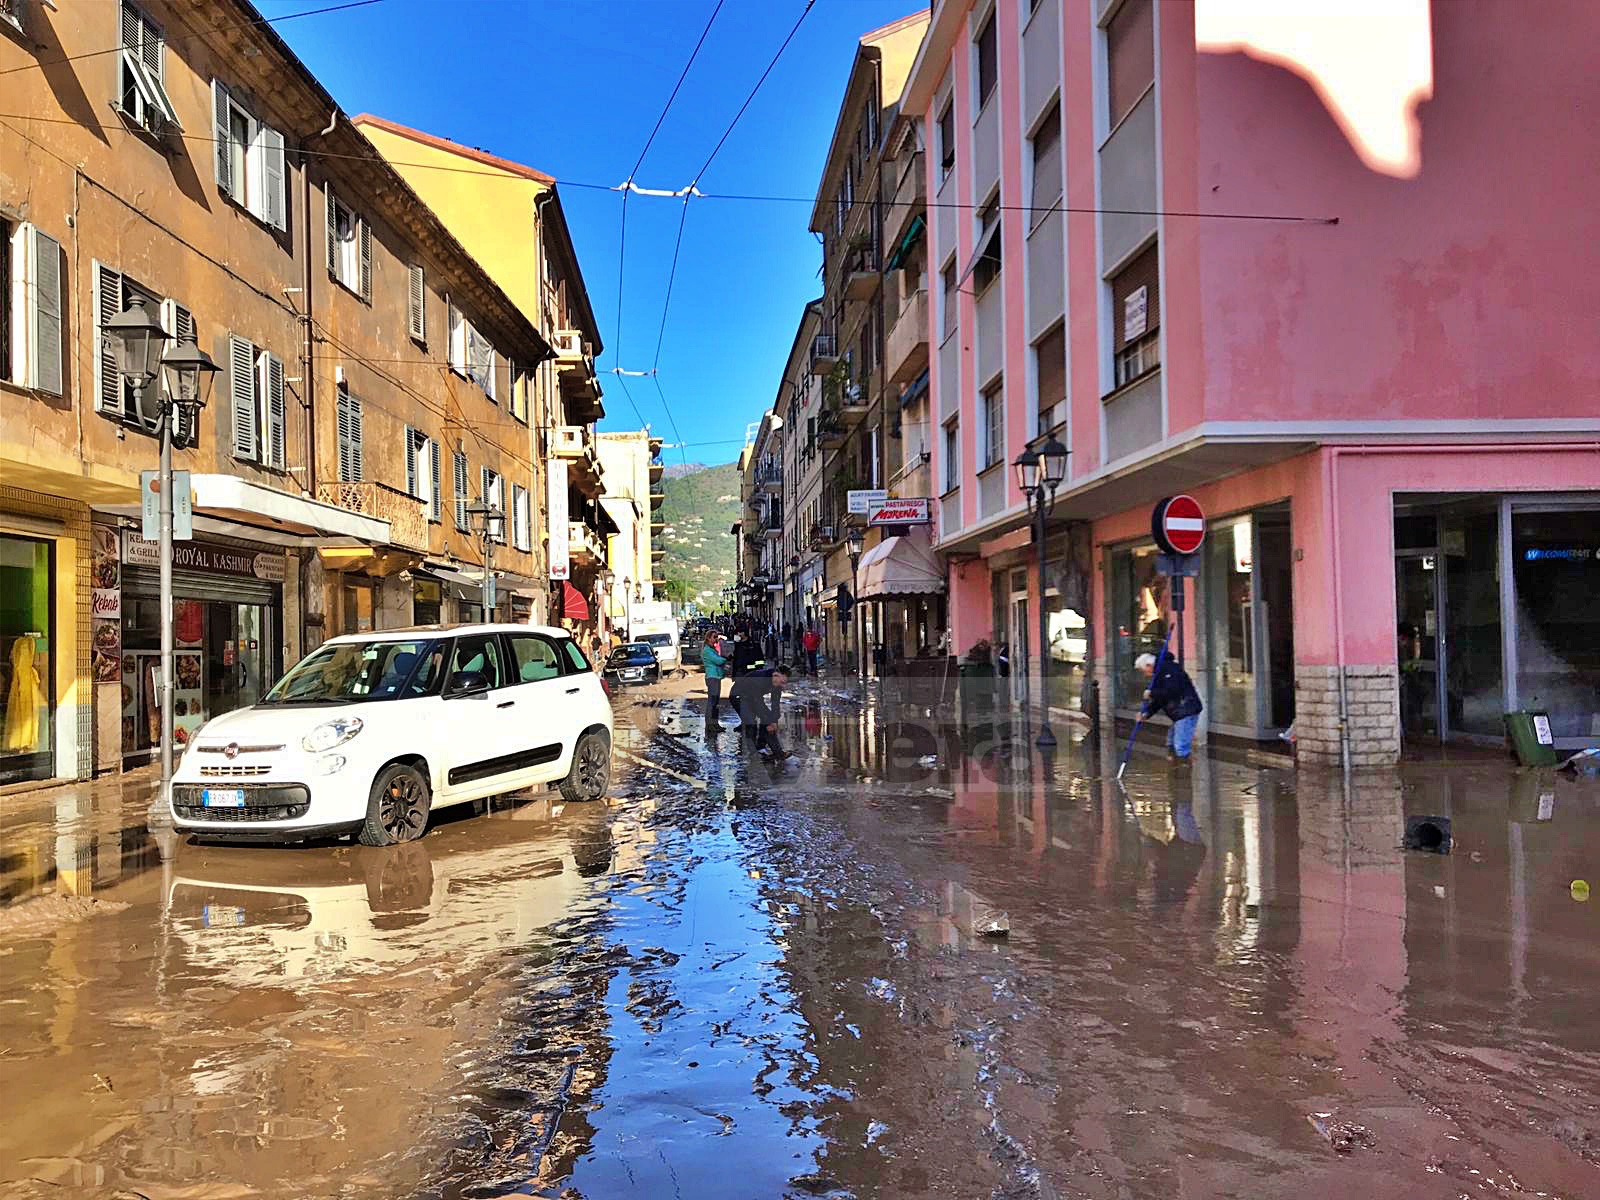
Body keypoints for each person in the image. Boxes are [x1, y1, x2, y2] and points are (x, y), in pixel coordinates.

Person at [1137, 651, 1204, 761]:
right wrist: (1146, 713)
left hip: (1185, 710)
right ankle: (1174, 770)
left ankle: (1183, 774)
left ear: (1149, 665)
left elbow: (1172, 691)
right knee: (1171, 744)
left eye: (1144, 671)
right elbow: (1160, 700)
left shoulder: (1169, 669)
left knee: (1180, 747)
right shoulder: (1159, 674)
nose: (1145, 675)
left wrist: (1152, 693)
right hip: (1178, 713)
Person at [728, 667, 790, 759]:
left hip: (752, 697)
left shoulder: (777, 685)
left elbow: (775, 705)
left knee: (769, 720)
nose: (782, 685)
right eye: (781, 682)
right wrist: (770, 721)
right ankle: (752, 752)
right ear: (775, 675)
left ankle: (772, 751)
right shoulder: (760, 679)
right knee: (751, 722)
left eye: (784, 683)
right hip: (738, 695)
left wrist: (774, 721)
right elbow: (758, 704)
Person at [702, 635, 729, 724]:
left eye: (716, 637)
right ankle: (710, 724)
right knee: (712, 702)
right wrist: (726, 658)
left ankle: (715, 723)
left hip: (716, 676)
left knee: (715, 702)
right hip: (712, 677)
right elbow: (718, 660)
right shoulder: (707, 650)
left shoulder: (712, 649)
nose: (716, 639)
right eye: (714, 637)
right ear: (708, 638)